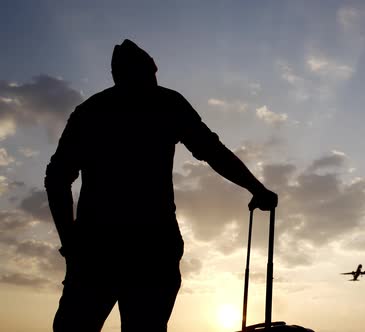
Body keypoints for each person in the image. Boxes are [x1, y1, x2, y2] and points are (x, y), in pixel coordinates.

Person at [45, 39, 278, 332]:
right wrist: (256, 189)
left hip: (101, 246)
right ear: (148, 70)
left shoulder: (92, 110)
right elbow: (212, 151)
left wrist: (71, 240)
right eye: (151, 74)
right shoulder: (165, 103)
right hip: (148, 245)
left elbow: (56, 178)